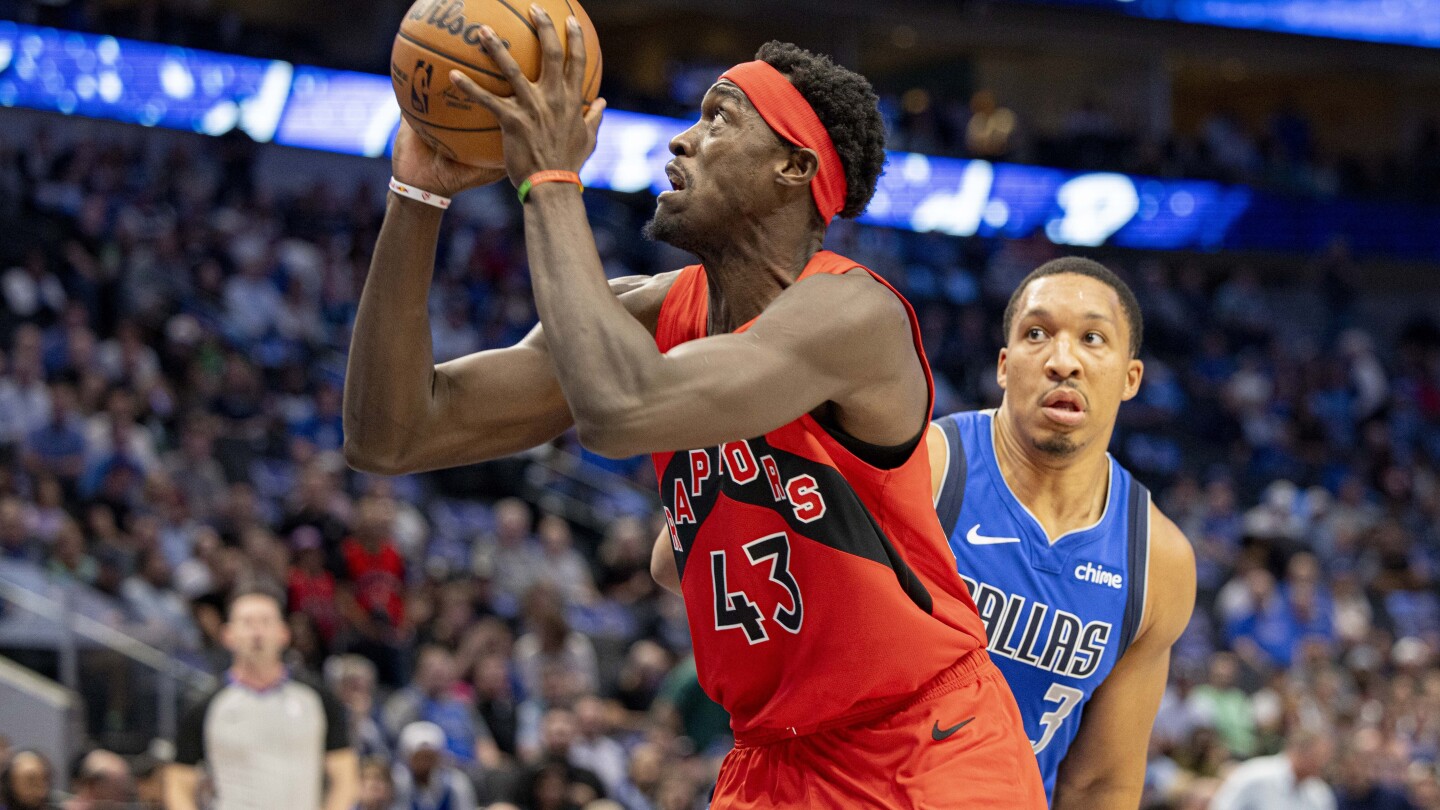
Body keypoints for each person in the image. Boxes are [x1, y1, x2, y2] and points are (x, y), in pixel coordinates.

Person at [343, 11, 1043, 808]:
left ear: (793, 167)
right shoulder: (646, 310)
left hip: (926, 743)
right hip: (771, 760)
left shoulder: (854, 316)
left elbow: (619, 411)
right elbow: (391, 435)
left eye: (718, 119)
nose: (681, 142)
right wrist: (417, 194)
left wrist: (549, 180)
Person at [925, 257, 1197, 806]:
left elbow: (1101, 783)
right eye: (1037, 334)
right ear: (1004, 365)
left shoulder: (1158, 559)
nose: (1063, 361)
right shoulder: (925, 470)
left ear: (1130, 378)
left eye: (1092, 338)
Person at [164, 590, 359, 810]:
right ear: (228, 635)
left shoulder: (317, 699)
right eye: (247, 623)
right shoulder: (205, 705)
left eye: (266, 622)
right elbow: (178, 781)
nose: (257, 632)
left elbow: (345, 774)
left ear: (284, 633)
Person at [1210, 727, 1337, 810]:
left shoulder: (1319, 793)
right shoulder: (1254, 774)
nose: (1323, 764)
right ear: (1299, 752)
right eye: (1318, 757)